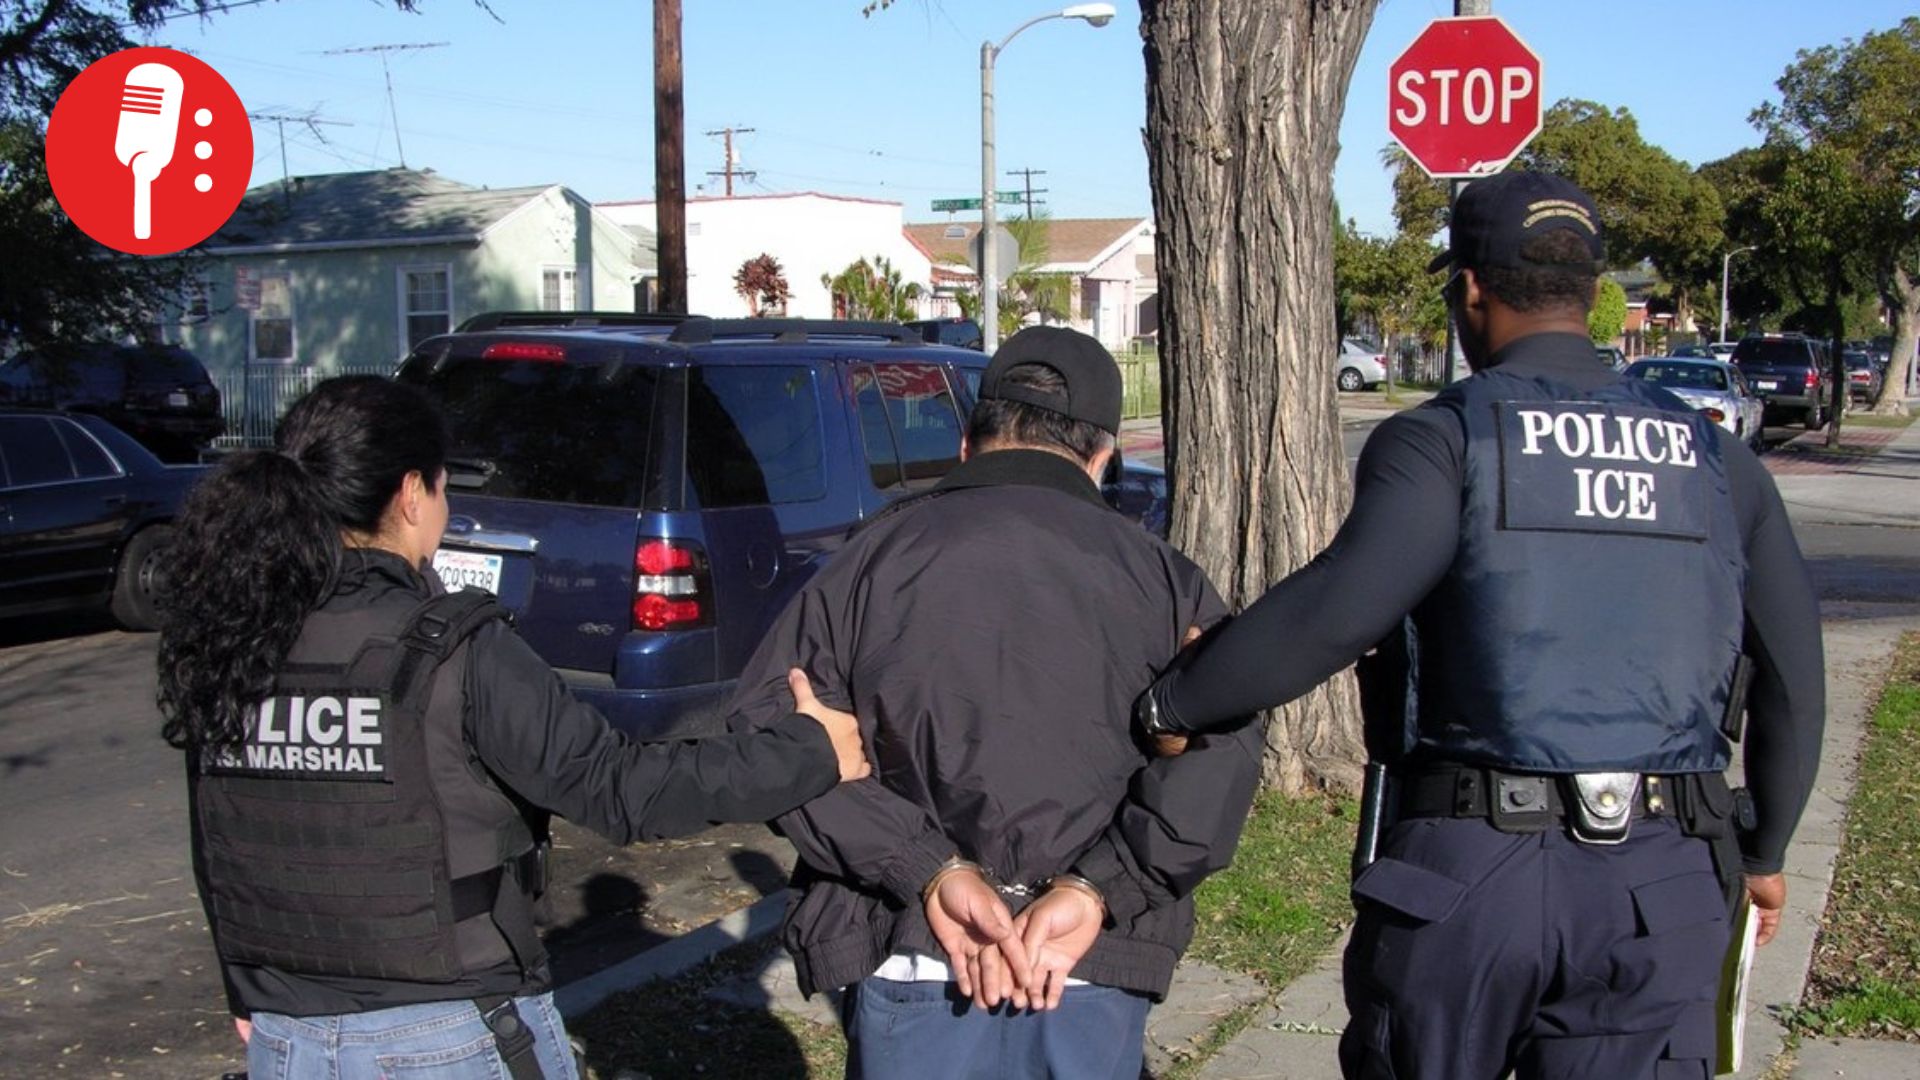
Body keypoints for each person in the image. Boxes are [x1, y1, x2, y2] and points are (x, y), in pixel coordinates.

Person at [1132, 171, 1826, 1080]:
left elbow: (1336, 612)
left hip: (1472, 873)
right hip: (1663, 879)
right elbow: (1794, 683)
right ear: (1590, 294)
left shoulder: (1445, 439)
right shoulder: (1715, 456)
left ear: (1470, 290)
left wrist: (1172, 702)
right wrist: (1766, 848)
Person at [157, 376, 868, 1079]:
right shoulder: (448, 648)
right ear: (411, 493)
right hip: (441, 1035)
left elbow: (216, 842)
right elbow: (622, 788)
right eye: (442, 487)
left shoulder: (233, 641)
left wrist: (246, 984)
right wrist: (810, 751)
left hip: (286, 1039)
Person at [725, 326, 1263, 1079]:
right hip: (1085, 958)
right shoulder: (1165, 581)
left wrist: (928, 870)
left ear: (969, 443)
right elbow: (1222, 752)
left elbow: (768, 728)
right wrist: (1098, 887)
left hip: (916, 944)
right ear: (1102, 458)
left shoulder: (867, 562)